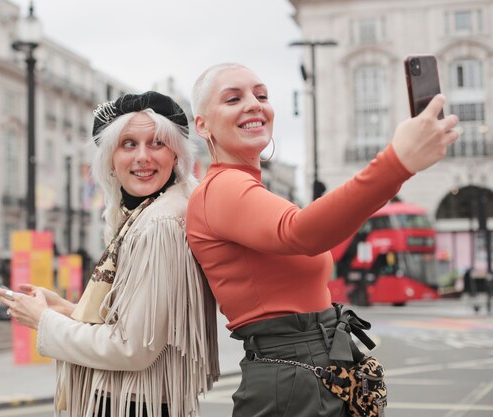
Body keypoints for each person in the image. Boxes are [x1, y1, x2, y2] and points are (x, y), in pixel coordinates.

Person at [186, 63, 459, 417]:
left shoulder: (247, 188)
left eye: (262, 95)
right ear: (202, 124)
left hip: (304, 371)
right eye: (233, 98)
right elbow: (301, 232)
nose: (254, 104)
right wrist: (396, 162)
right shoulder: (221, 188)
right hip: (293, 379)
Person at [0, 91, 219, 417]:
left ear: (176, 156)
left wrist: (44, 321)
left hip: (135, 404)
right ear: (111, 159)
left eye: (157, 143)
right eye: (129, 144)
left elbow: (133, 348)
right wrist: (66, 309)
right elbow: (131, 324)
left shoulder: (159, 223)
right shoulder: (148, 212)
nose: (143, 156)